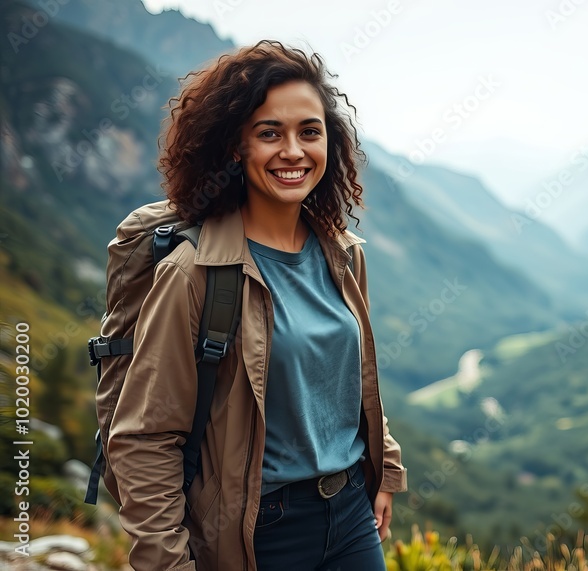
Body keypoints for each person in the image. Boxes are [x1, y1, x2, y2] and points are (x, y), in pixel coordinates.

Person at [105, 40, 407, 571]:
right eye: (270, 133)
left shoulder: (341, 254)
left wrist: (385, 473)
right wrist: (168, 563)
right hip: (256, 531)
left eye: (309, 131)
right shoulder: (193, 273)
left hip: (352, 514)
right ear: (234, 148)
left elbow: (353, 379)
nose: (294, 151)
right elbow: (145, 441)